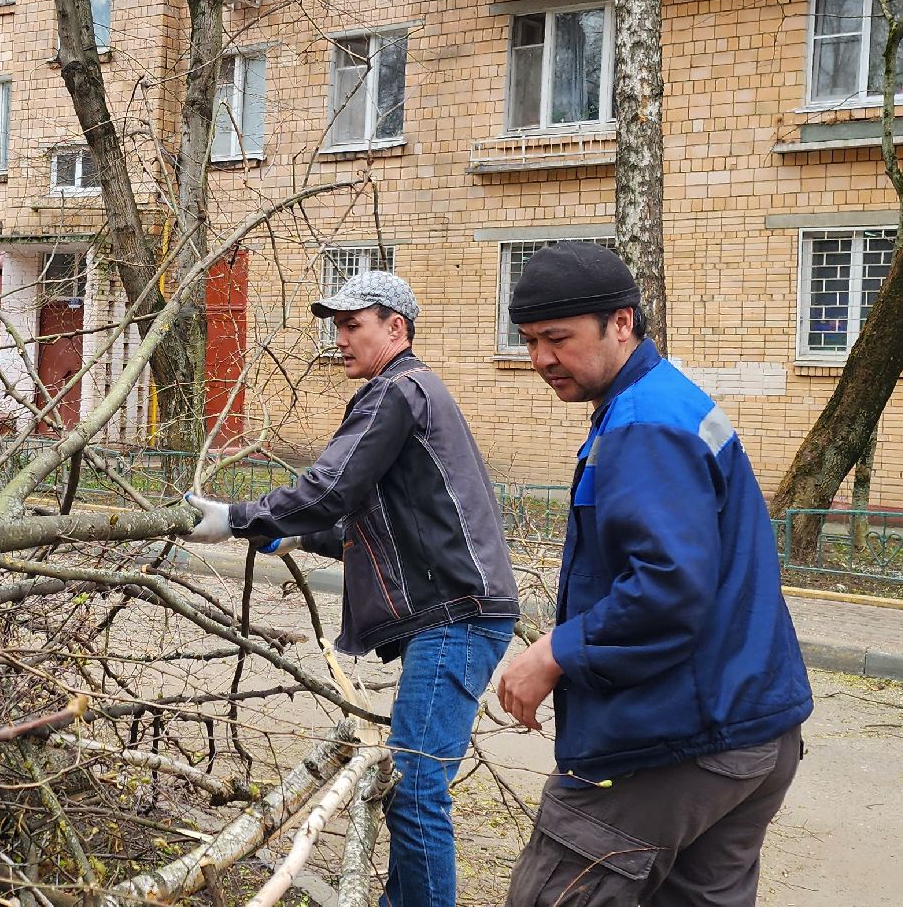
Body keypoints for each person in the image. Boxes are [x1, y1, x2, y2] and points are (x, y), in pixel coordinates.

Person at [185, 270, 518, 907]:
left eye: (352, 325)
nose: (339, 339)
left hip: (456, 617)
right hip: (456, 613)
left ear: (396, 329)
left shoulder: (397, 390)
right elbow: (364, 522)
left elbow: (330, 488)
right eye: (335, 326)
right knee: (414, 781)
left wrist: (238, 518)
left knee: (418, 784)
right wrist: (291, 537)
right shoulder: (409, 392)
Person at [493, 242, 813, 907]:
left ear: (620, 323)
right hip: (752, 732)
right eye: (527, 341)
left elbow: (665, 588)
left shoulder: (643, 424)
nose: (541, 360)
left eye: (557, 338)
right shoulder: (670, 399)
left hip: (678, 740)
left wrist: (554, 652)